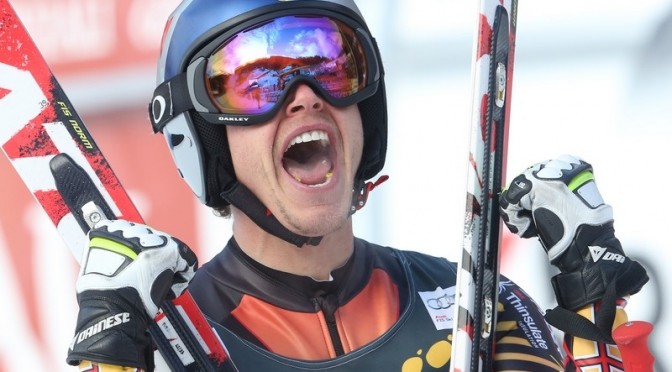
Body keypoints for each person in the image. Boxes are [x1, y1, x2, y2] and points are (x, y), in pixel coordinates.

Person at [64, 0, 649, 371]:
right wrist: (106, 362)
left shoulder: (476, 308)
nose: (306, 94)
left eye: (333, 65)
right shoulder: (172, 341)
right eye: (256, 83)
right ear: (204, 140)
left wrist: (594, 311)